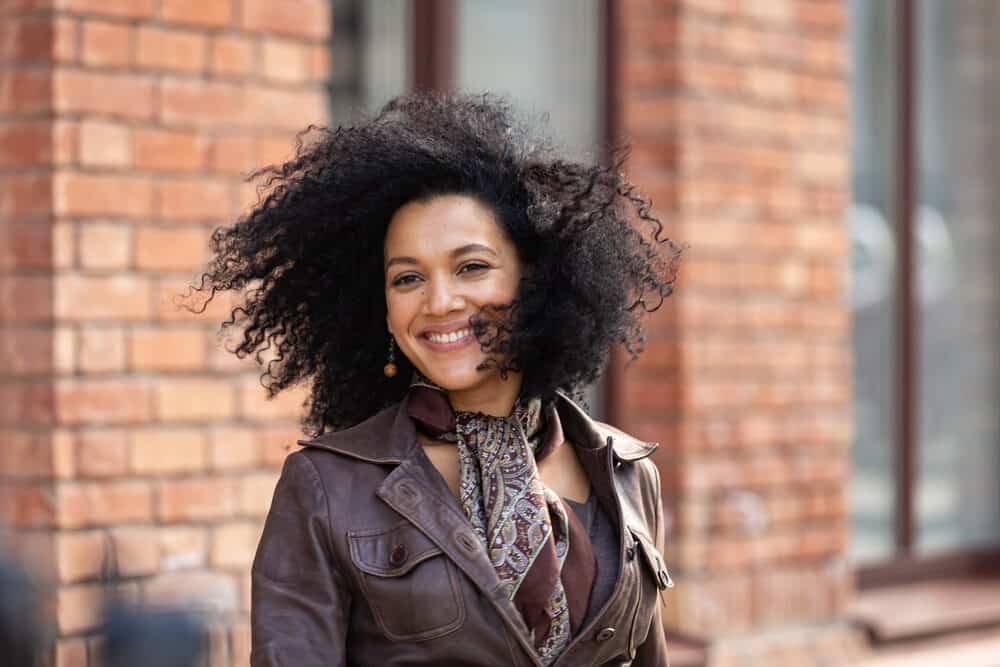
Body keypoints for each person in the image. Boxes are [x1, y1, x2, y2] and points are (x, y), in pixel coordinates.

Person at [193, 92, 680, 666]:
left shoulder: (624, 471)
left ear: (540, 280)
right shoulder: (325, 487)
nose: (439, 301)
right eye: (407, 279)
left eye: (471, 267)